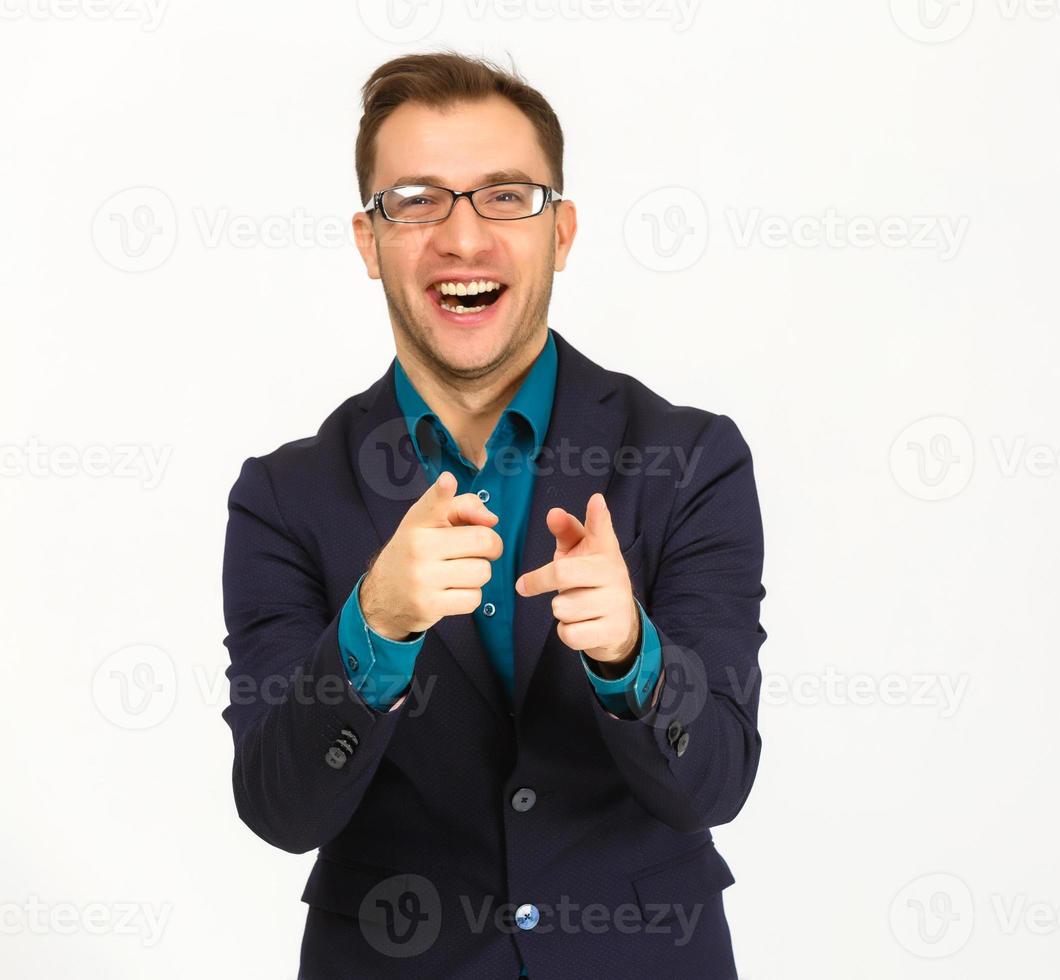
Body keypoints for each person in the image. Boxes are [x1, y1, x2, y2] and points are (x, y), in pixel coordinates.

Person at [219, 51, 766, 978]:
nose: (463, 240)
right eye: (417, 200)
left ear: (562, 232)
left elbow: (712, 783)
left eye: (506, 197)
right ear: (368, 241)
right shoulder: (282, 497)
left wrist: (635, 656)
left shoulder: (692, 459)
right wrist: (375, 627)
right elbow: (281, 809)